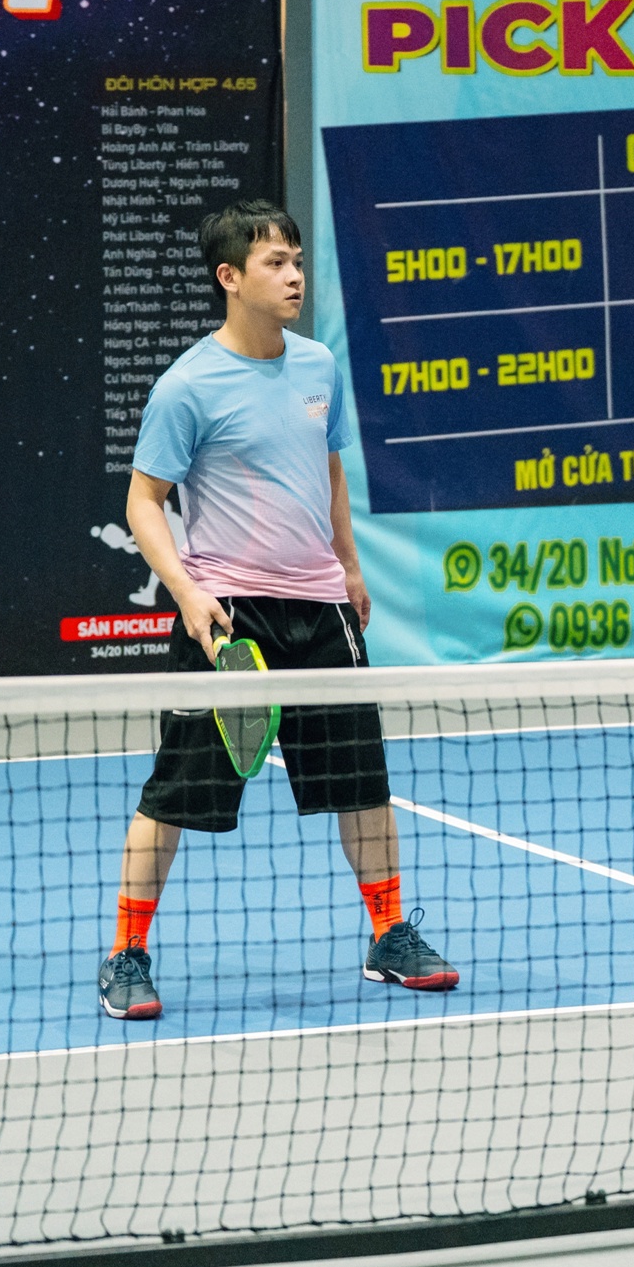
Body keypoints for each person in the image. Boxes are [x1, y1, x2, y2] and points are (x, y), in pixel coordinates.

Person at [97, 200, 457, 1020]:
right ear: (230, 277)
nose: (295, 275)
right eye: (275, 263)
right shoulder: (187, 386)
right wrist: (188, 592)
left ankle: (389, 933)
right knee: (176, 792)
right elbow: (144, 501)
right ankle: (126, 951)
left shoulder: (318, 366)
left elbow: (328, 470)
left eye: (296, 259)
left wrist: (350, 566)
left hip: (321, 611)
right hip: (230, 619)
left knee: (363, 784)